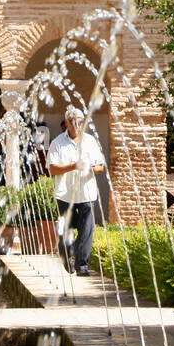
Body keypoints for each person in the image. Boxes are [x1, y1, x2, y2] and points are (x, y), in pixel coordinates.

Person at [47, 105, 106, 277]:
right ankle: (66, 258)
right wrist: (73, 166)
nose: (77, 125)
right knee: (67, 230)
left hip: (87, 193)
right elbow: (52, 169)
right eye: (73, 122)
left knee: (86, 230)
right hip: (65, 194)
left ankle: (82, 265)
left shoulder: (90, 141)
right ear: (67, 123)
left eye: (80, 122)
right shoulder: (57, 143)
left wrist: (90, 168)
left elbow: (100, 167)